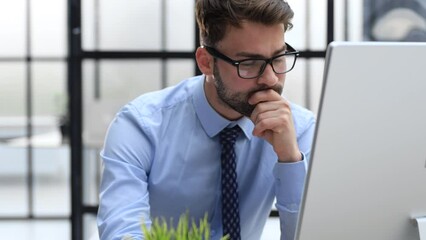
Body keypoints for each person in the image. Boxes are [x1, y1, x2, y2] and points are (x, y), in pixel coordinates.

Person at [97, 0, 316, 239]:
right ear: (206, 62)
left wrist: (290, 160)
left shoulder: (299, 129)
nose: (271, 79)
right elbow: (122, 233)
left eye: (277, 58)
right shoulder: (140, 126)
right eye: (249, 63)